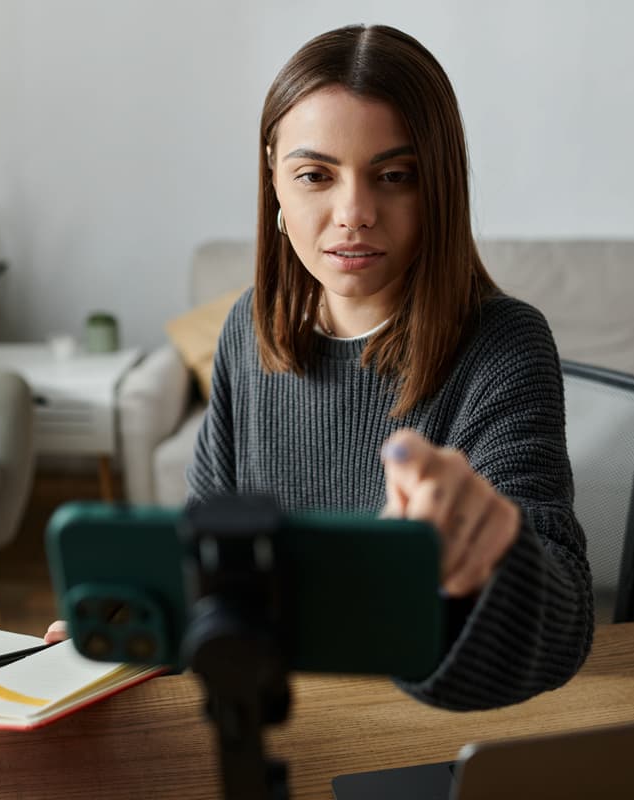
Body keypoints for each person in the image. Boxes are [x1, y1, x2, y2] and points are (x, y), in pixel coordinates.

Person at [47, 23, 593, 712]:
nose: (354, 213)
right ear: (274, 176)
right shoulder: (250, 327)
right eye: (315, 176)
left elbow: (565, 629)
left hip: (411, 725)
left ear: (440, 185)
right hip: (276, 710)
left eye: (394, 176)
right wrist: (144, 618)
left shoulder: (504, 345)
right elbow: (212, 548)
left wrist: (493, 553)